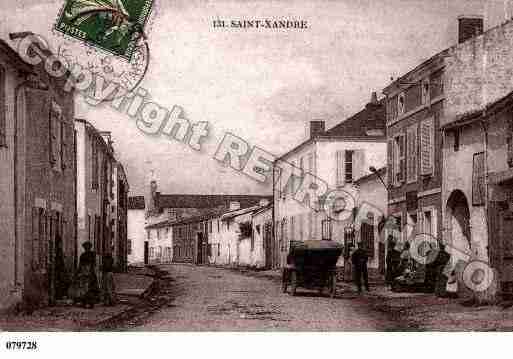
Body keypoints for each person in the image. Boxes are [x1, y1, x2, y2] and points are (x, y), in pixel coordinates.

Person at [71, 242, 100, 308]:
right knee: (85, 288)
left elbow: (92, 264)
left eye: (87, 247)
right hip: (86, 273)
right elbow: (80, 265)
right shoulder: (85, 255)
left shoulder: (90, 255)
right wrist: (78, 273)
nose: (86, 248)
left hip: (89, 273)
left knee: (88, 288)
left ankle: (89, 302)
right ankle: (86, 302)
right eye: (86, 247)